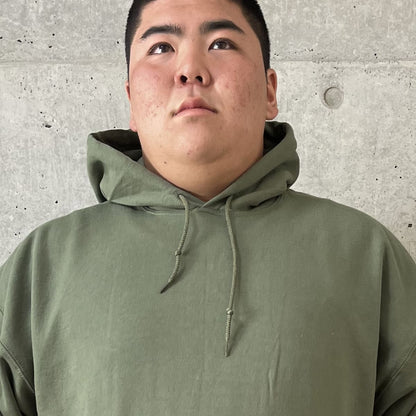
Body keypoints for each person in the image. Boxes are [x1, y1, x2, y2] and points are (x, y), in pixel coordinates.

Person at [0, 0, 415, 414]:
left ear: (270, 91)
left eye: (220, 43)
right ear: (131, 100)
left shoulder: (365, 254)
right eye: (161, 47)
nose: (190, 70)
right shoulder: (42, 266)